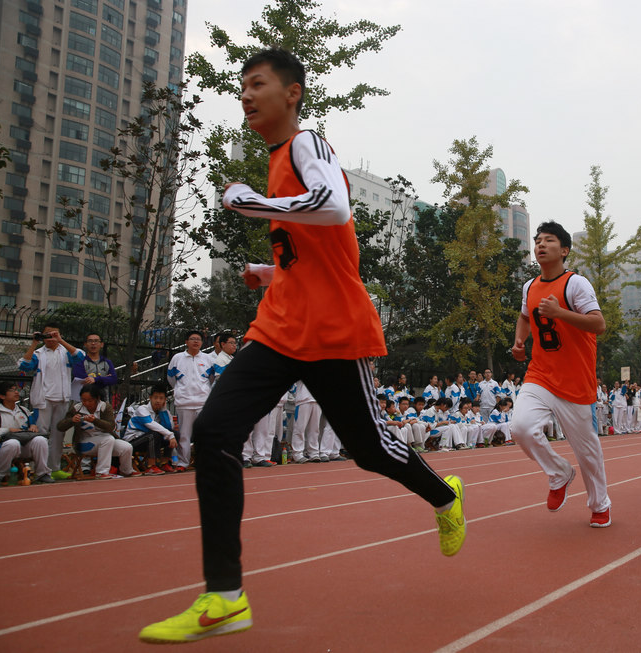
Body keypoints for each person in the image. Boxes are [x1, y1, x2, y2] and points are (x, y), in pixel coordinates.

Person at [139, 48, 464, 644]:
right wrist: (271, 271)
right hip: (279, 328)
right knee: (213, 431)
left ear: (291, 93)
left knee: (370, 449)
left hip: (334, 330)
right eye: (240, 85)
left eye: (256, 83)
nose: (245, 94)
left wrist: (249, 202)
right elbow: (311, 251)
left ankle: (444, 495)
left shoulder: (307, 143)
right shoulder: (275, 161)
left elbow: (334, 207)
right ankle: (224, 596)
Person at [510, 220, 612, 528]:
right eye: (538, 240)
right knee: (521, 428)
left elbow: (598, 324)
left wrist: (560, 313)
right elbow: (525, 316)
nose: (540, 245)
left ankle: (600, 504)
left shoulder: (575, 284)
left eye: (549, 240)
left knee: (587, 451)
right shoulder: (529, 286)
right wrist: (519, 341)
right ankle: (559, 473)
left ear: (564, 250)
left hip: (575, 380)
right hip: (540, 374)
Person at [19, 325, 84, 471]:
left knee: (58, 435)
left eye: (54, 334)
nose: (51, 337)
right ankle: (37, 469)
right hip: (43, 400)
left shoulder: (65, 352)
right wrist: (34, 343)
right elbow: (24, 366)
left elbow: (80, 357)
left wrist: (60, 340)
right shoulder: (38, 353)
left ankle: (54, 469)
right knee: (40, 435)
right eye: (47, 334)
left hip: (62, 399)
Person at [57, 386, 139, 479]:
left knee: (126, 447)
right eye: (83, 400)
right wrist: (71, 420)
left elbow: (110, 426)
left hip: (105, 440)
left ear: (97, 398)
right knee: (108, 440)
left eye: (90, 400)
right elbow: (60, 427)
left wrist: (95, 420)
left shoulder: (104, 407)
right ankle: (101, 472)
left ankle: (126, 470)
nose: (87, 403)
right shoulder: (77, 409)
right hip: (84, 443)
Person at [167, 330, 214, 471]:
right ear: (186, 342)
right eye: (193, 339)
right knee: (184, 435)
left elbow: (211, 379)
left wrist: (204, 390)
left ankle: (203, 462)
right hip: (184, 403)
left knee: (204, 434)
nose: (196, 341)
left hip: (203, 403)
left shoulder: (207, 359)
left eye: (198, 339)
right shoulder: (177, 358)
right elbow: (171, 378)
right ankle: (183, 463)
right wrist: (181, 390)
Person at [0, 381, 52, 485]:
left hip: (24, 445)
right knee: (13, 443)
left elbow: (32, 424)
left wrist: (33, 426)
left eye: (16, 390)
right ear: (2, 396)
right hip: (4, 447)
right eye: (12, 390)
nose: (16, 392)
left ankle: (42, 474)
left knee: (40, 440)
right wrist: (8, 429)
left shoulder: (24, 410)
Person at [123, 382, 177, 475]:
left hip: (151, 441)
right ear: (150, 398)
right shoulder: (142, 409)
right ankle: (151, 466)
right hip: (133, 442)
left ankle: (164, 463)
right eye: (155, 398)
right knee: (154, 434)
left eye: (161, 398)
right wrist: (169, 434)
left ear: (165, 400)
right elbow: (151, 424)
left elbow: (169, 428)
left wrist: (163, 410)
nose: (158, 401)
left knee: (174, 433)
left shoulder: (165, 412)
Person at [71, 333, 118, 403]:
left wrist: (95, 379)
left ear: (102, 344)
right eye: (90, 341)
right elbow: (83, 379)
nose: (93, 343)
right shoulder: (80, 362)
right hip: (83, 402)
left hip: (103, 401)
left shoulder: (107, 362)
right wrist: (105, 379)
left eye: (96, 341)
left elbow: (113, 379)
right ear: (85, 344)